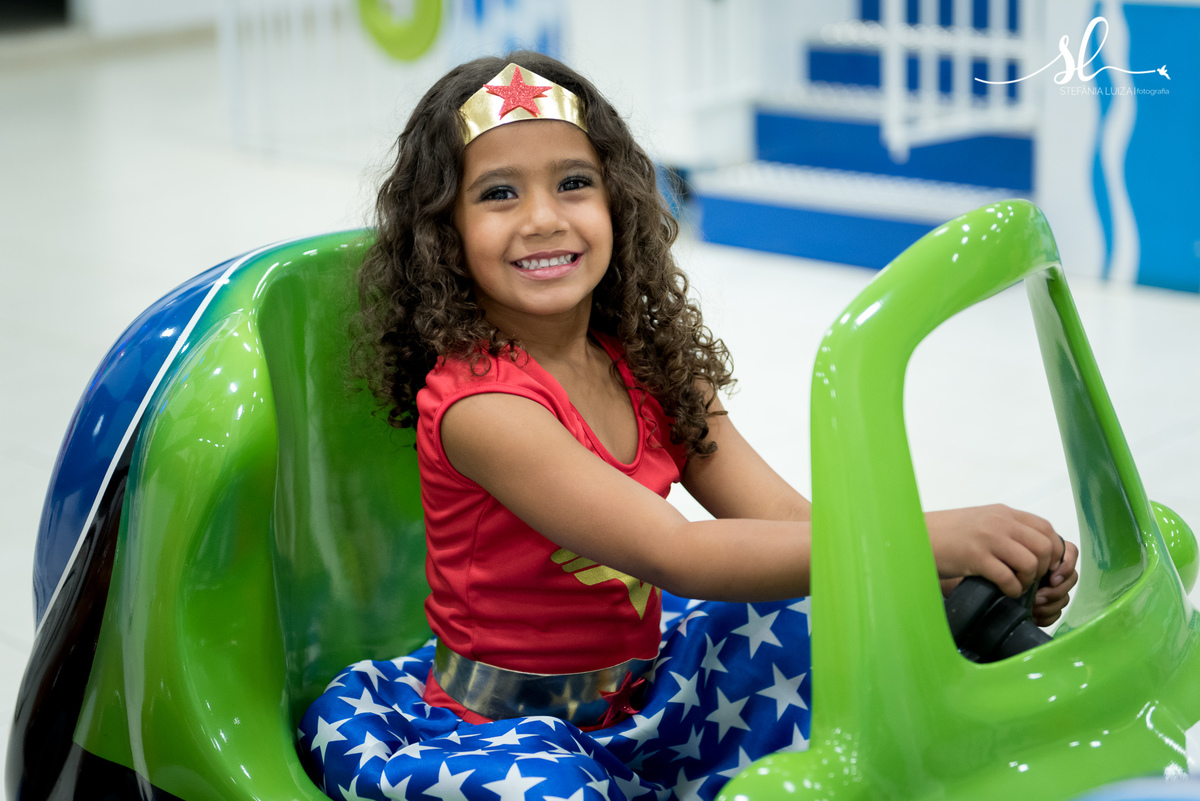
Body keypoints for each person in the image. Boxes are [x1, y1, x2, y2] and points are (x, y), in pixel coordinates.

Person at [297, 51, 1079, 801]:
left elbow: (784, 519)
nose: (543, 218)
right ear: (445, 233)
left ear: (616, 201)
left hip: (644, 693)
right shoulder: (483, 407)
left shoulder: (648, 362)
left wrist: (941, 580)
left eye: (574, 183)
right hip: (506, 731)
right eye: (499, 193)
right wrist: (924, 538)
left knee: (820, 616)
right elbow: (681, 554)